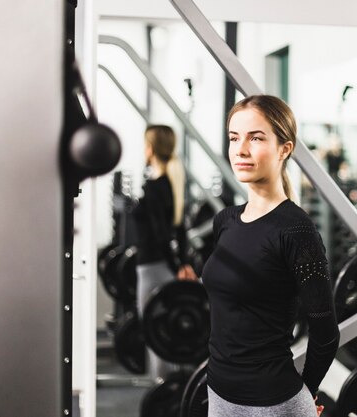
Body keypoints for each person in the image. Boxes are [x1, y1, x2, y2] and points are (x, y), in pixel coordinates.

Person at [201, 95, 340, 417]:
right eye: (235, 138)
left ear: (285, 149)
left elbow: (325, 332)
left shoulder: (295, 230)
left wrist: (307, 393)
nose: (241, 150)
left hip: (274, 403)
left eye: (256, 138)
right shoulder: (225, 221)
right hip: (218, 391)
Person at [132, 124, 197, 379]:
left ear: (150, 148)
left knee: (154, 331)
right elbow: (179, 231)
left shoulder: (153, 187)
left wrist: (176, 266)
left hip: (151, 268)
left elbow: (161, 234)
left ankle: (165, 389)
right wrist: (182, 264)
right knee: (168, 332)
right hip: (164, 267)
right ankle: (172, 391)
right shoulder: (174, 184)